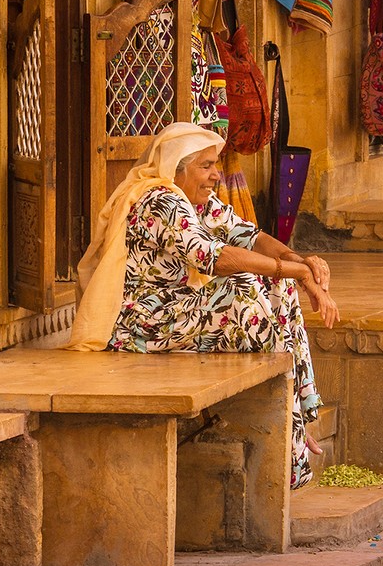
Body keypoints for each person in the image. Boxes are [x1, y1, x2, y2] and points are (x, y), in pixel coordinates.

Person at [70, 122, 338, 488]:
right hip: (140, 323)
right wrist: (296, 270)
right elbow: (213, 258)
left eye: (216, 165)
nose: (216, 175)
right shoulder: (161, 200)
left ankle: (299, 415)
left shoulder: (198, 201)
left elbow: (251, 236)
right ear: (177, 168)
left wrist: (298, 261)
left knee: (279, 290)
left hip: (179, 309)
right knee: (242, 295)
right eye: (206, 166)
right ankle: (291, 436)